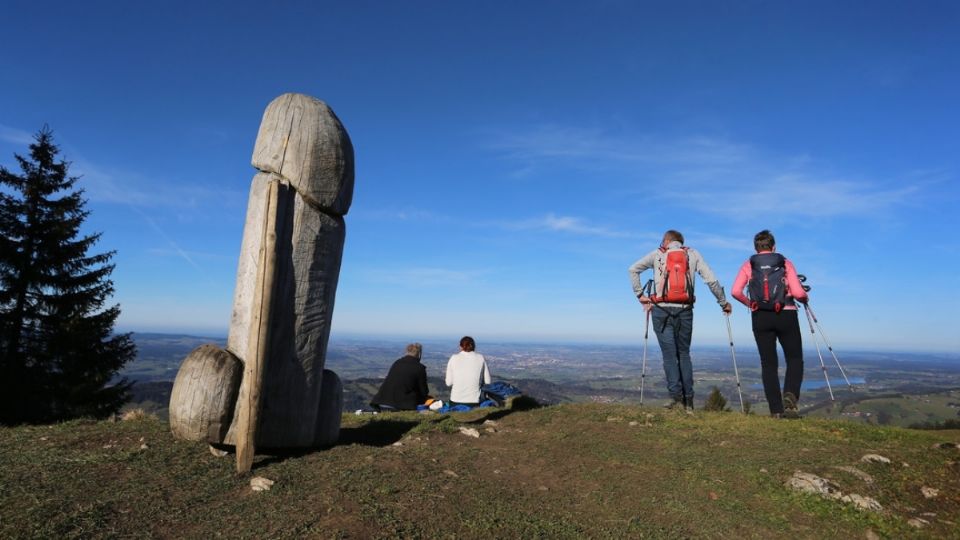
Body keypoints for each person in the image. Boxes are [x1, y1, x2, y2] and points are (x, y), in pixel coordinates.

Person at [628, 230, 732, 410]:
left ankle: (676, 398)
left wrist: (640, 295)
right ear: (681, 242)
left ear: (666, 240)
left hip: (661, 311)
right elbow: (711, 280)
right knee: (683, 354)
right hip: (685, 311)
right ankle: (689, 401)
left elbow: (633, 269)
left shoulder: (657, 254)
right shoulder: (692, 254)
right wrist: (723, 303)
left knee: (669, 356)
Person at [731, 230, 809, 419]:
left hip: (760, 317)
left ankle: (775, 410)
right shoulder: (784, 263)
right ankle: (790, 398)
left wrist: (751, 304)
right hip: (786, 314)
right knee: (794, 358)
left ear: (756, 248)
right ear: (773, 246)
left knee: (768, 363)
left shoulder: (749, 265)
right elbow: (798, 293)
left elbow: (735, 291)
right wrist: (805, 297)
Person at [370, 343, 430, 411]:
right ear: (419, 354)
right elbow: (424, 391)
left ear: (407, 352)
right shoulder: (420, 368)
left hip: (382, 401)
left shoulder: (397, 363)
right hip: (401, 404)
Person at [445, 336, 491, 407]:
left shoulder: (453, 358)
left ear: (460, 346)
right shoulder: (480, 358)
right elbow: (488, 381)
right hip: (474, 401)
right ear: (474, 346)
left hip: (455, 401)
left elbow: (448, 383)